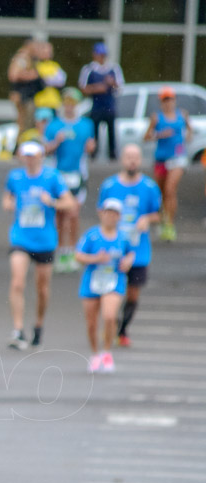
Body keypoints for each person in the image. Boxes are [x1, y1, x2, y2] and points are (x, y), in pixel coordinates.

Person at [2, 141, 74, 350]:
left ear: (41, 156)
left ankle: (38, 324)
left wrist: (51, 201)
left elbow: (69, 203)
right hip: (20, 238)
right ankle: (18, 329)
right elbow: (6, 199)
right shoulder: (15, 177)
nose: (30, 159)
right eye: (27, 155)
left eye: (34, 155)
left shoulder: (52, 177)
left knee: (42, 289)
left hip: (45, 240)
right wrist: (10, 204)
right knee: (17, 282)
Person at [98, 144, 161, 348]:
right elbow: (101, 212)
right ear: (122, 159)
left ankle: (122, 328)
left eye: (135, 157)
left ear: (140, 160)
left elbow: (158, 213)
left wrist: (146, 219)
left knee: (133, 293)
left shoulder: (150, 187)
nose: (132, 161)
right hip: (114, 251)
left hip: (138, 251)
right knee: (110, 291)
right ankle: (110, 323)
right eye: (128, 157)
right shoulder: (109, 186)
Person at [74, 198, 134, 374]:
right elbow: (78, 255)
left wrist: (128, 262)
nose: (110, 217)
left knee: (109, 316)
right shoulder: (92, 235)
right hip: (92, 282)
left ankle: (107, 351)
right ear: (101, 213)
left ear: (119, 216)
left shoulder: (123, 237)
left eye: (114, 213)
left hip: (114, 281)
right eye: (108, 212)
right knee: (91, 323)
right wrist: (95, 259)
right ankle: (94, 353)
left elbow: (131, 253)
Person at [45, 88, 95, 273]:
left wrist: (91, 147)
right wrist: (56, 142)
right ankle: (61, 252)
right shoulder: (54, 125)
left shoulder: (86, 124)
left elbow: (91, 146)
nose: (69, 106)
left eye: (72, 102)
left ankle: (73, 252)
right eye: (66, 102)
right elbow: (46, 150)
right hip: (58, 175)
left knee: (73, 214)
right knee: (59, 216)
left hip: (78, 174)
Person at [144, 87, 191, 242]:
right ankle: (164, 220)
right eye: (165, 99)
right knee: (162, 192)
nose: (168, 103)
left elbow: (189, 131)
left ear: (174, 100)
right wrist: (159, 135)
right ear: (161, 102)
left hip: (177, 157)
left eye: (170, 99)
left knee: (171, 189)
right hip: (161, 159)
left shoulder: (182, 115)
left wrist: (186, 139)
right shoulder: (156, 117)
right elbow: (146, 137)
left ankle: (170, 224)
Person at [78, 43, 124, 161]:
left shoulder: (114, 68)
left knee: (111, 132)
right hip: (96, 106)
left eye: (104, 55)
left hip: (109, 105)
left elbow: (119, 88)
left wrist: (112, 83)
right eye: (100, 55)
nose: (102, 58)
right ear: (94, 55)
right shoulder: (89, 69)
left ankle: (112, 155)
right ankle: (93, 154)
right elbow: (83, 88)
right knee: (94, 131)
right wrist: (96, 88)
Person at [7, 40, 43, 148]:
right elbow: (13, 75)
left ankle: (22, 146)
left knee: (26, 122)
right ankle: (19, 147)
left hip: (27, 96)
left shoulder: (30, 59)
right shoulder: (22, 58)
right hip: (22, 96)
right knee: (23, 123)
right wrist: (32, 75)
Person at [33, 41, 66, 112]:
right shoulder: (35, 65)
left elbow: (61, 81)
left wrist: (46, 79)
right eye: (44, 51)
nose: (47, 54)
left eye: (49, 52)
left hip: (54, 102)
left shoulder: (54, 65)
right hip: (40, 102)